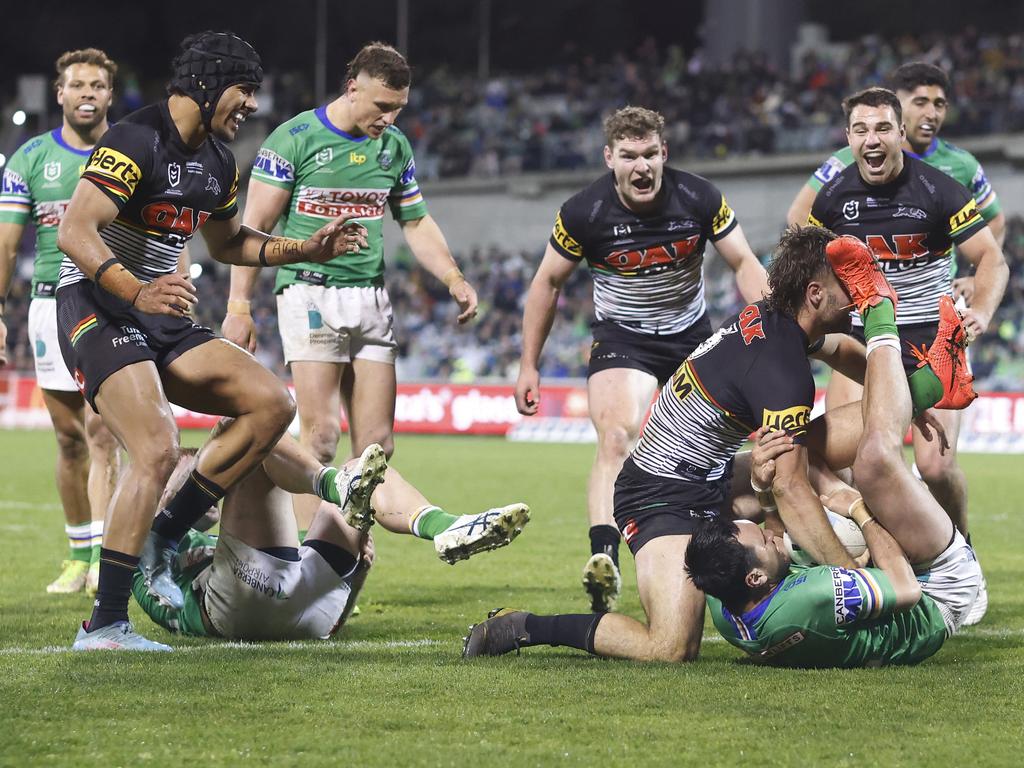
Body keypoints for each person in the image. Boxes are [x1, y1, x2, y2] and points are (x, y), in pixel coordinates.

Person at [464, 228, 968, 662]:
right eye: (846, 290)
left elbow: (840, 350)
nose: (856, 300)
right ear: (814, 294)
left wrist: (907, 395)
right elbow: (791, 491)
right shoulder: (781, 371)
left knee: (821, 444)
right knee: (671, 647)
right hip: (659, 498)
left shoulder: (779, 324)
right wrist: (848, 573)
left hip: (712, 477)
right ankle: (522, 626)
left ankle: (925, 383)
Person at [57, 31, 370, 652]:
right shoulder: (135, 138)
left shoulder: (218, 162)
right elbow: (75, 230)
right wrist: (136, 289)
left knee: (270, 404)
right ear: (207, 82)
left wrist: (301, 249)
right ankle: (105, 625)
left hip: (159, 311)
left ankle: (163, 534)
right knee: (154, 445)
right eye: (244, 90)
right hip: (98, 306)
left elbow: (229, 244)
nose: (251, 104)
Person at [513, 106, 768, 613]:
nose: (641, 165)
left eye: (650, 153)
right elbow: (547, 282)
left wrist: (772, 328)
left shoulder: (699, 197)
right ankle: (603, 559)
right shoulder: (583, 212)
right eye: (629, 155)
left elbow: (742, 261)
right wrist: (528, 364)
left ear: (664, 153)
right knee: (616, 434)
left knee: (711, 455)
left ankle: (736, 543)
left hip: (690, 338)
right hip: (622, 338)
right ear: (610, 158)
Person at [684, 236, 982, 668]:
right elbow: (903, 589)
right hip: (936, 587)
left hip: (874, 578)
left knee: (794, 450)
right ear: (756, 576)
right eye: (764, 539)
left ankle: (926, 388)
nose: (770, 533)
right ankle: (882, 310)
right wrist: (857, 508)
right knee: (874, 463)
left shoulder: (729, 604)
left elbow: (772, 527)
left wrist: (763, 493)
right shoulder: (816, 595)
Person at [221, 42, 478, 539]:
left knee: (377, 449)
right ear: (352, 87)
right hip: (310, 293)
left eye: (398, 108)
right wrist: (239, 305)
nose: (389, 117)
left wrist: (453, 276)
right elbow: (252, 228)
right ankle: (299, 562)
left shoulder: (394, 147)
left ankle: (347, 559)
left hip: (370, 300)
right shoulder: (294, 138)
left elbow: (416, 221)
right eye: (382, 106)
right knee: (318, 438)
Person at [786, 64, 1006, 625]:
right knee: (846, 459)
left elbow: (991, 258)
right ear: (849, 138)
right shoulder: (833, 199)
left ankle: (958, 550)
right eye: (861, 130)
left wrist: (977, 310)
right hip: (864, 340)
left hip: (932, 339)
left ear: (900, 133)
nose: (872, 140)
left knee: (934, 467)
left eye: (883, 129)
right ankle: (869, 562)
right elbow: (803, 260)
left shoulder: (939, 189)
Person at [132, 426, 529, 643]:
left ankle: (443, 525)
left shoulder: (208, 545)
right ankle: (336, 485)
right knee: (246, 429)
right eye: (191, 472)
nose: (203, 478)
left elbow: (308, 593)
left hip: (305, 612)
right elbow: (166, 598)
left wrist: (357, 577)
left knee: (360, 471)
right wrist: (181, 492)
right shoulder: (137, 549)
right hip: (235, 610)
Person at [0, 48, 122, 595]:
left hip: (111, 301)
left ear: (110, 96)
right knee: (69, 440)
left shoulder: (131, 150)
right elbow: (6, 245)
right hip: (50, 306)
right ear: (60, 94)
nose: (87, 93)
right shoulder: (28, 158)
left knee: (103, 433)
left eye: (97, 85)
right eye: (78, 85)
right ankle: (78, 556)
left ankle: (103, 555)